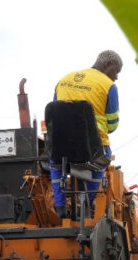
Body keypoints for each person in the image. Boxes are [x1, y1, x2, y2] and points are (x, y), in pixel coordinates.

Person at [50, 50, 122, 217]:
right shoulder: (109, 86)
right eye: (116, 71)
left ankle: (60, 205)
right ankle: (86, 205)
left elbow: (54, 112)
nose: (116, 77)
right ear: (108, 65)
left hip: (61, 145)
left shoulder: (64, 79)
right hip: (92, 148)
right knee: (104, 159)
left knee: (54, 162)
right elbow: (112, 125)